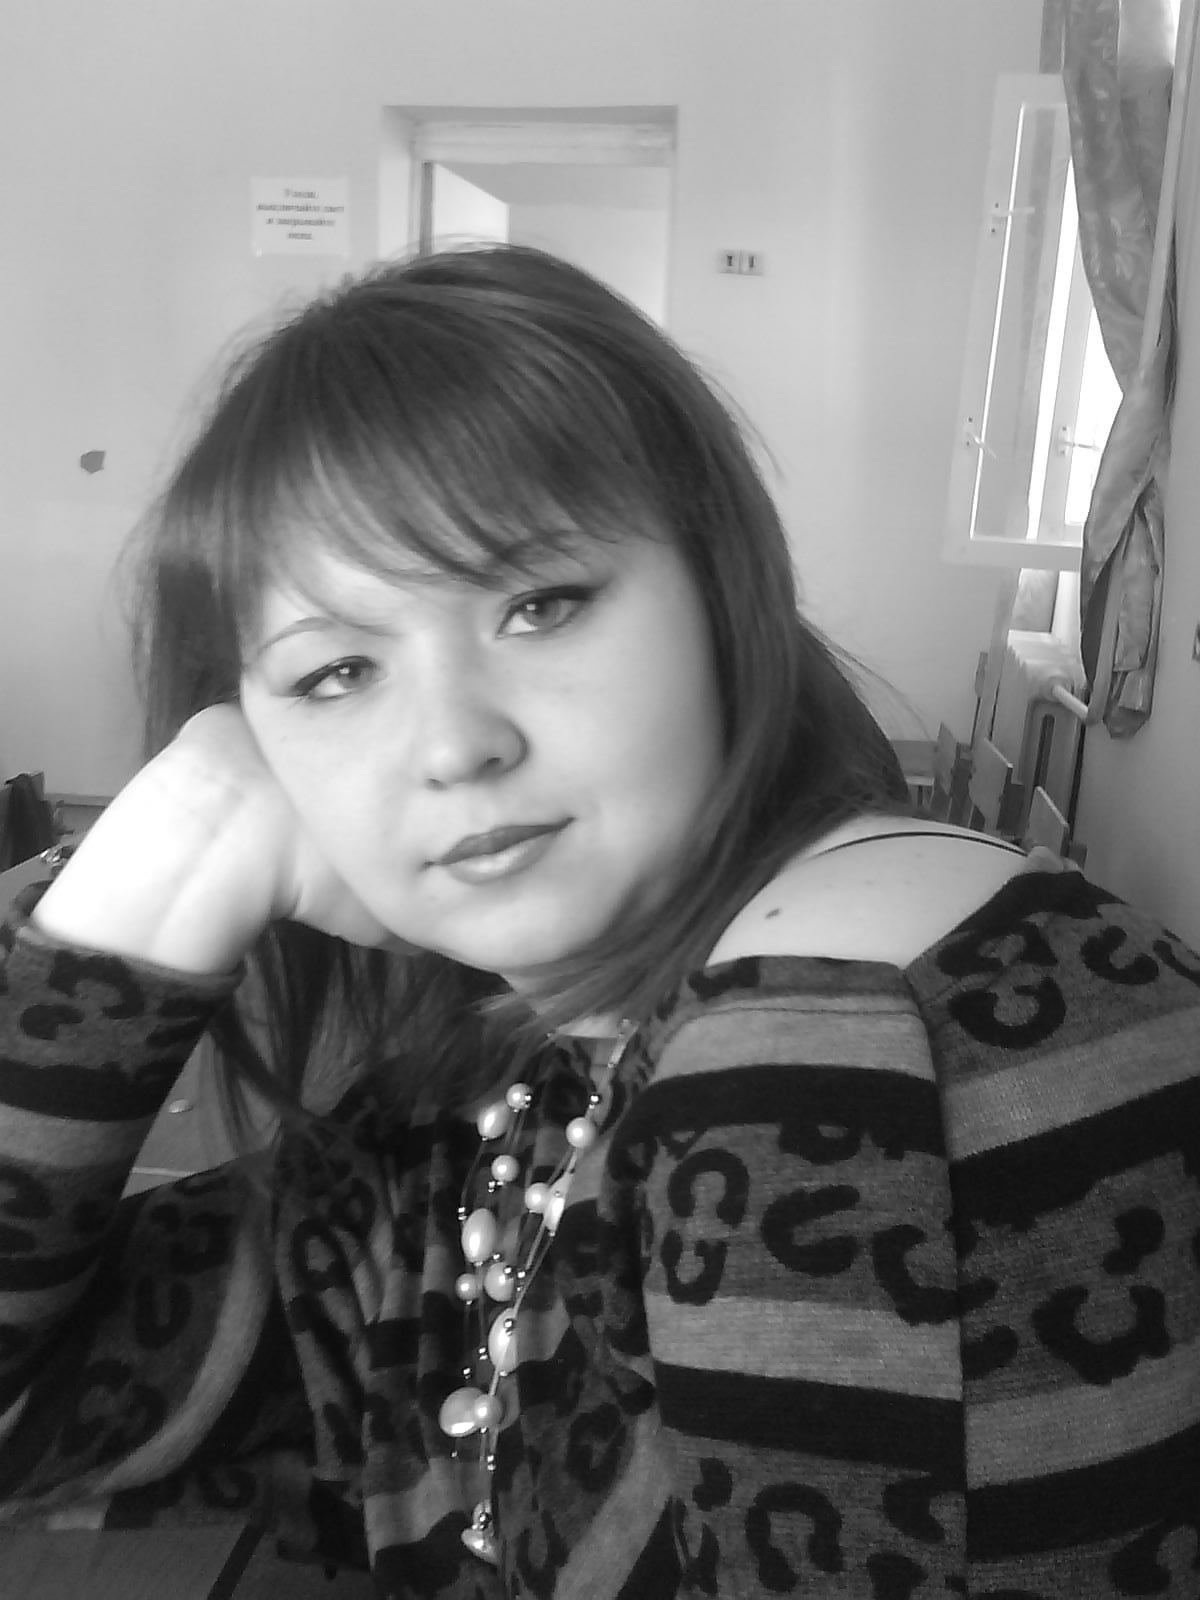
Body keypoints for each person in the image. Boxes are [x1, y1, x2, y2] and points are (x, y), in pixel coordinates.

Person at [0, 244, 1197, 1600]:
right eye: (333, 673)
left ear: (723, 588)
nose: (453, 743)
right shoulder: (504, 1095)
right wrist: (165, 860)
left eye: (541, 604)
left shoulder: (840, 1051)